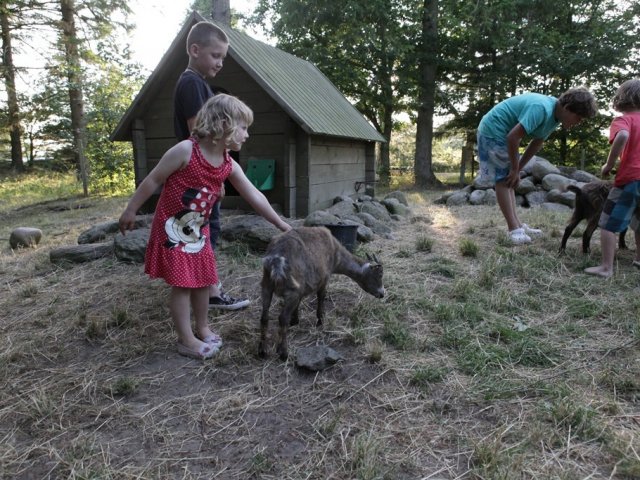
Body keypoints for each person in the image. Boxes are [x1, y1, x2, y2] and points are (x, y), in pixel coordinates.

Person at [119, 94, 291, 359]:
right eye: (243, 127)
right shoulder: (185, 151)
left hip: (199, 230)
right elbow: (153, 180)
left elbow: (254, 195)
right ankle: (186, 339)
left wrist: (281, 224)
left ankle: (202, 327)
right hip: (173, 229)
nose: (247, 135)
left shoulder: (227, 163)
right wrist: (131, 209)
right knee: (182, 284)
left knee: (203, 279)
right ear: (224, 124)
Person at [174, 20, 248, 310]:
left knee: (206, 230)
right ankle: (209, 291)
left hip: (203, 176)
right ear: (195, 50)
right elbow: (201, 134)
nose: (220, 63)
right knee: (206, 230)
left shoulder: (199, 84)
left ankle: (207, 286)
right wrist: (215, 177)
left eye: (223, 57)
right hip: (199, 177)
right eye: (216, 55)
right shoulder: (192, 84)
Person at [477, 87, 598, 244]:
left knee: (510, 180)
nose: (579, 122)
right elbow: (513, 137)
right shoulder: (541, 109)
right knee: (503, 180)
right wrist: (514, 169)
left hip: (504, 134)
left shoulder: (555, 117)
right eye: (579, 117)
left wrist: (517, 169)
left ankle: (518, 225)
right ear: (568, 108)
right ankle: (513, 229)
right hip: (493, 131)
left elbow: (536, 143)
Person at [584, 79, 640, 278]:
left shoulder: (623, 120)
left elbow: (622, 136)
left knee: (607, 224)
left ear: (621, 98)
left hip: (630, 180)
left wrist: (609, 164)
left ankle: (606, 268)